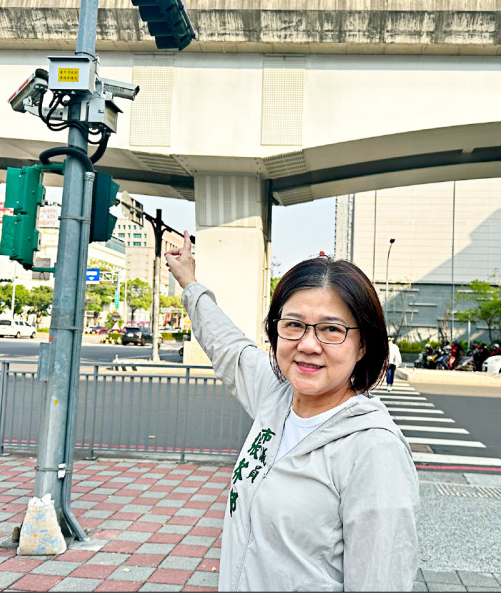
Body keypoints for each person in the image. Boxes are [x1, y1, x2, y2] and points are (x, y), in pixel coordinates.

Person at [165, 232, 419, 592]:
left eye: (332, 329)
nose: (308, 345)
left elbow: (382, 580)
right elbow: (227, 345)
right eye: (294, 325)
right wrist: (189, 281)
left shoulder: (374, 451)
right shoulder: (277, 397)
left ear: (362, 345)